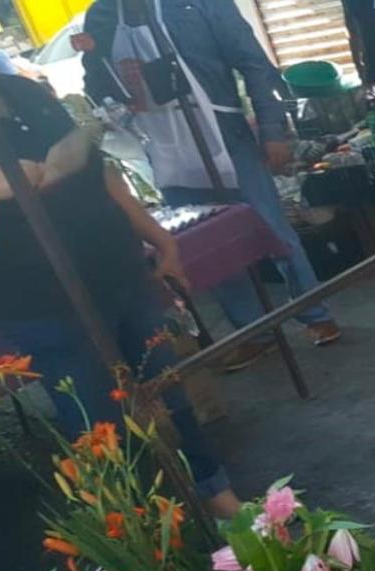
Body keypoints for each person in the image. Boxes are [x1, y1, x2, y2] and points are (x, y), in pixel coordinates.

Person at [0, 6, 240, 518]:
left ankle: (218, 499)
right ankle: (152, 540)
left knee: (169, 395)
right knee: (102, 425)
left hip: (120, 275)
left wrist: (160, 239)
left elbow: (101, 172)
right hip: (46, 306)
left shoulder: (27, 94)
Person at [81, 0, 342, 373]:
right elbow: (95, 81)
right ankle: (254, 331)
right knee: (205, 243)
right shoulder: (102, 15)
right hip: (166, 144)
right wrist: (105, 81)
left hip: (224, 134)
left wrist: (272, 129)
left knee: (272, 229)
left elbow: (253, 63)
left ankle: (315, 312)